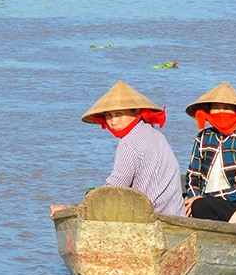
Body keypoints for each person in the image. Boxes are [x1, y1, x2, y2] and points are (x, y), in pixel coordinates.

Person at [51, 80, 185, 218]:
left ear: (136, 111)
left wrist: (74, 208)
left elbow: (115, 187)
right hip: (176, 215)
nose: (113, 121)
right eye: (108, 115)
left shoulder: (129, 142)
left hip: (153, 218)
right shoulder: (156, 134)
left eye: (119, 114)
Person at [184, 81, 236, 221]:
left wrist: (206, 199)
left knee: (201, 206)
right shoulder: (203, 138)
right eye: (216, 108)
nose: (221, 112)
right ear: (209, 111)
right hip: (204, 200)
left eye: (226, 108)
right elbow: (192, 176)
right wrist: (194, 196)